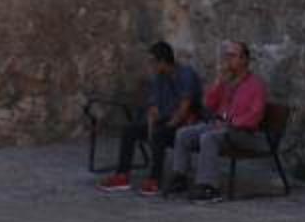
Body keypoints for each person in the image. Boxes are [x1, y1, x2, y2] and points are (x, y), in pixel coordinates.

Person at [163, 39, 268, 200]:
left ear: (244, 60)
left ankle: (209, 187)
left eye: (232, 56)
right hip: (220, 127)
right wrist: (219, 82)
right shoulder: (227, 83)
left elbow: (255, 116)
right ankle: (180, 177)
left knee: (209, 138)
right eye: (227, 56)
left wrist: (230, 123)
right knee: (184, 133)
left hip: (244, 133)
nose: (228, 60)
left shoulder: (256, 85)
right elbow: (209, 105)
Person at [100, 38, 202, 193]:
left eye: (153, 62)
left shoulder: (186, 74)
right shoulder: (159, 77)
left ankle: (154, 179)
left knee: (160, 134)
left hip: (183, 123)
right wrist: (150, 126)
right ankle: (122, 175)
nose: (151, 66)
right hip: (164, 120)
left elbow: (184, 109)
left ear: (162, 61)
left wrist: (163, 128)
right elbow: (153, 107)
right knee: (130, 130)